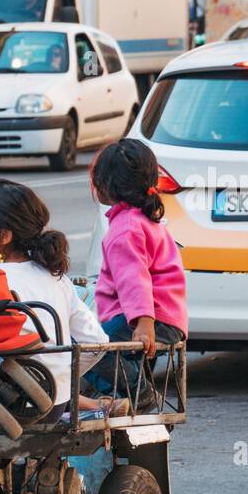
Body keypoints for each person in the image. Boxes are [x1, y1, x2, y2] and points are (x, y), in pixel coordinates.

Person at [0, 180, 120, 417]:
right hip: (56, 403)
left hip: (6, 406)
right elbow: (97, 341)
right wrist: (61, 377)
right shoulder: (56, 278)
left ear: (3, 236)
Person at [84, 139, 188, 406]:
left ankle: (139, 393)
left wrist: (143, 322)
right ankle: (124, 397)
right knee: (93, 356)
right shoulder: (141, 219)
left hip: (147, 318)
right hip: (161, 316)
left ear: (106, 185)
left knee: (88, 349)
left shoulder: (125, 229)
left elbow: (135, 279)